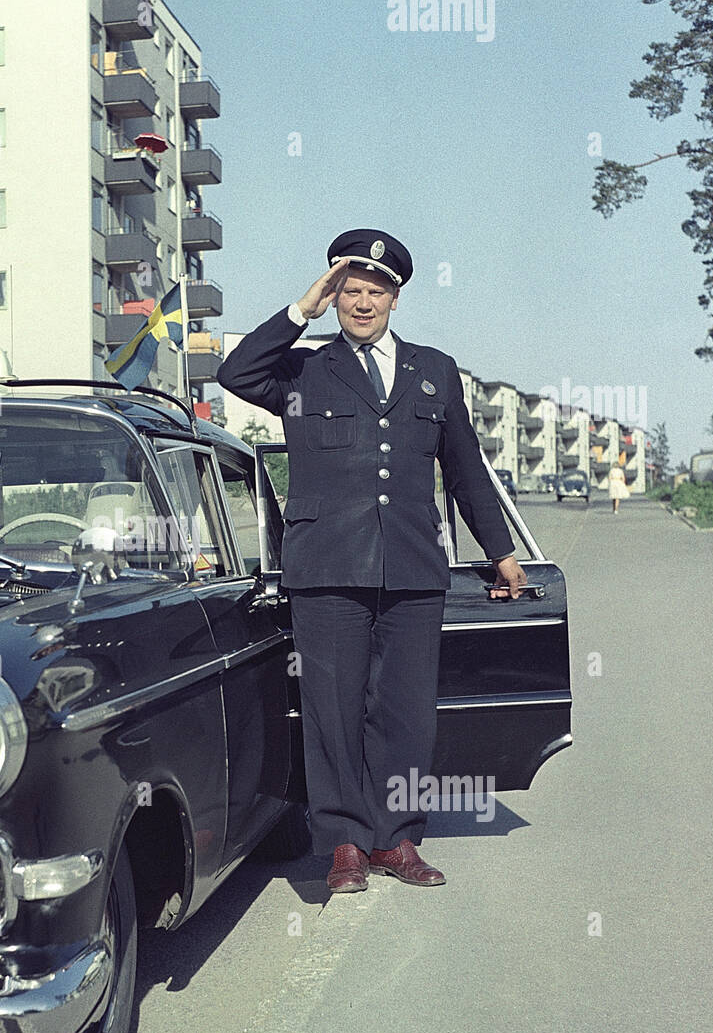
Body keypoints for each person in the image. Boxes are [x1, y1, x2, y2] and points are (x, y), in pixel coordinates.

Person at [217, 229, 528, 894]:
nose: (362, 303)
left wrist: (499, 552)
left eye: (375, 292)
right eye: (349, 291)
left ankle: (397, 839)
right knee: (331, 709)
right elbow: (234, 373)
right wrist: (300, 308)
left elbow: (465, 467)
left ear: (395, 298)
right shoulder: (300, 369)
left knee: (406, 711)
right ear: (334, 297)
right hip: (326, 566)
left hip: (413, 565)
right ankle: (344, 846)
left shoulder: (433, 369)